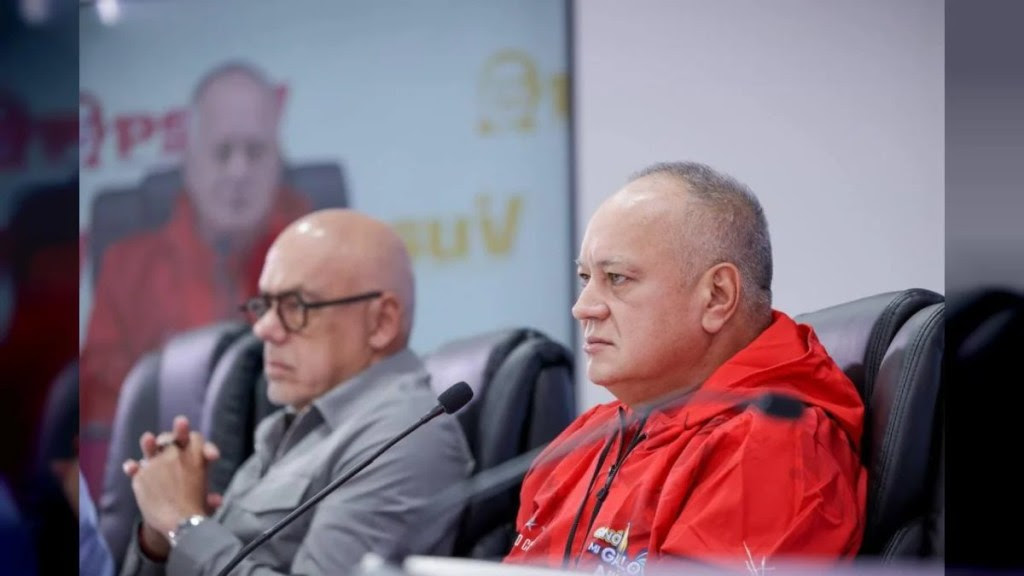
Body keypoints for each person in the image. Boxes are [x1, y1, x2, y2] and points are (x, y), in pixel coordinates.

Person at [504, 161, 867, 574]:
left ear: (716, 296)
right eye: (586, 278)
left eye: (617, 278)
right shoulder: (584, 441)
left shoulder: (773, 451)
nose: (582, 307)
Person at [118, 209, 474, 575]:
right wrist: (160, 536)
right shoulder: (290, 426)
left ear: (381, 322)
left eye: (295, 307)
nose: (264, 330)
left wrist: (185, 524)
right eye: (265, 306)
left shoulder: (403, 439)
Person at [79, 61, 311, 495]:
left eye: (255, 151)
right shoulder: (127, 268)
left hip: (289, 477)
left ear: (277, 162)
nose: (238, 171)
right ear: (190, 161)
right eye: (222, 151)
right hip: (165, 477)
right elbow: (103, 419)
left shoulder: (314, 257)